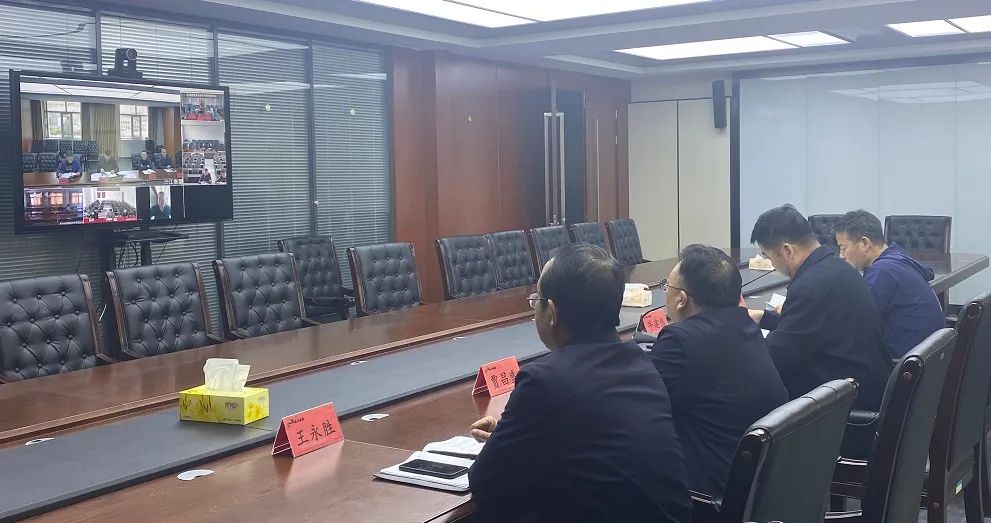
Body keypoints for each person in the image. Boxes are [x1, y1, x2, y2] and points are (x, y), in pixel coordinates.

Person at [468, 243, 691, 523]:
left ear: (551, 312)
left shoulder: (544, 380)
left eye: (537, 300)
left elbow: (486, 484)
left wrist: (513, 443)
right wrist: (514, 434)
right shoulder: (641, 363)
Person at [651, 244, 788, 498]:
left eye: (667, 287)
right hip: (763, 483)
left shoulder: (678, 340)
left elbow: (643, 412)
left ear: (681, 300)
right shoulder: (744, 323)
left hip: (712, 496)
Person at [749, 204, 893, 411]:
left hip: (849, 409)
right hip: (866, 390)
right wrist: (763, 317)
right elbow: (813, 327)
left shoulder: (810, 286)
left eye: (769, 257)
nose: (772, 264)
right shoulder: (836, 268)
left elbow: (775, 359)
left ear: (787, 250)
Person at [833, 210, 946, 358]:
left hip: (903, 363)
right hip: (931, 358)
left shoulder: (883, 271)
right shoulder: (897, 257)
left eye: (843, 248)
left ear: (864, 243)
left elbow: (853, 324)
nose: (841, 256)